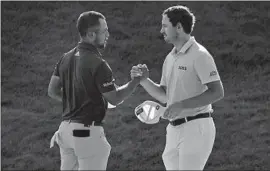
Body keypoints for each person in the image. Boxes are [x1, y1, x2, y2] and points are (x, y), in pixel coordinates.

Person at [131, 5, 224, 170]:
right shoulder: (170, 58)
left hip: (196, 127)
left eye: (165, 26)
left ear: (179, 27)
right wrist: (143, 80)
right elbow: (166, 95)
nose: (161, 30)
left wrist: (181, 105)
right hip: (173, 130)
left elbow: (217, 92)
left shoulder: (200, 55)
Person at [48, 11, 141, 170]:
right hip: (86, 135)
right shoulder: (98, 63)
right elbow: (115, 98)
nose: (108, 34)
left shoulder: (65, 57)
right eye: (104, 31)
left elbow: (52, 90)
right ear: (91, 34)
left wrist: (76, 100)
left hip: (65, 132)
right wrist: (135, 82)